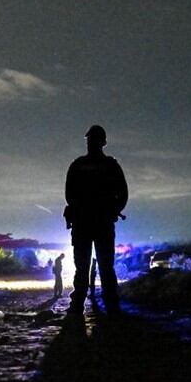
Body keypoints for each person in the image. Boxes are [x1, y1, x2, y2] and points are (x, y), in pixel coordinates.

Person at [63, 125, 128, 317]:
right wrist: (112, 210)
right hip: (99, 223)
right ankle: (110, 306)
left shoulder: (79, 165)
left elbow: (69, 194)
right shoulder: (110, 166)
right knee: (100, 266)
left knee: (92, 267)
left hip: (89, 223)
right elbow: (123, 195)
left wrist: (111, 210)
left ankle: (81, 306)